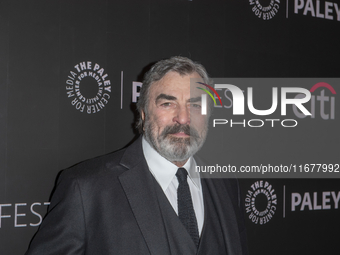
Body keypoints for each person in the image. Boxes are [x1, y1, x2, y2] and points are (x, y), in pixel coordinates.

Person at [25, 56, 248, 255]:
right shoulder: (85, 189)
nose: (183, 118)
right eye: (168, 103)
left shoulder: (226, 183)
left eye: (195, 104)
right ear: (143, 113)